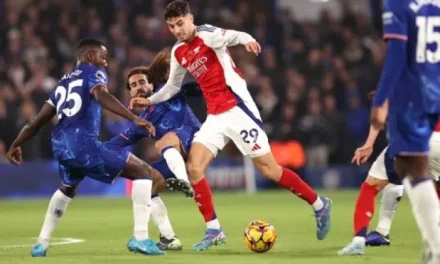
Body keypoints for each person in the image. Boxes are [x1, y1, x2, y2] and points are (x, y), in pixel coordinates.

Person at [130, 0, 332, 251]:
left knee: (270, 170)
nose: (177, 30)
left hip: (237, 110)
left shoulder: (207, 35)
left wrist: (247, 39)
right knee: (194, 168)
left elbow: (233, 35)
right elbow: (172, 87)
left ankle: (319, 205)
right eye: (172, 26)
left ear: (190, 18)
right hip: (215, 117)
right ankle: (214, 229)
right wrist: (148, 100)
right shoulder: (178, 52)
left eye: (180, 23)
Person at [6, 38, 164, 257]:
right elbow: (101, 95)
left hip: (61, 147)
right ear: (91, 57)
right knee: (144, 172)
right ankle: (141, 238)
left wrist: (16, 143)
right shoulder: (93, 72)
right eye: (103, 57)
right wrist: (133, 118)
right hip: (84, 145)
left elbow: (37, 121)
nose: (106, 63)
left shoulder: (61, 83)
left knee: (67, 188)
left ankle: (41, 244)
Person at [106, 50, 202, 250]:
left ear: (151, 84)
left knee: (165, 141)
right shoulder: (141, 122)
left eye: (142, 82)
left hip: (196, 143)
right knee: (144, 186)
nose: (138, 87)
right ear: (130, 93)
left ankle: (184, 182)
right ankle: (169, 238)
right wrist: (94, 153)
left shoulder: (168, 91)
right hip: (175, 158)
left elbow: (187, 84)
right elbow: (115, 144)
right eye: (133, 85)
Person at [368, 1, 440, 262]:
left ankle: (435, 247)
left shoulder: (398, 4)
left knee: (409, 166)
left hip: (416, 98)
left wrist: (382, 101)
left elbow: (396, 55)